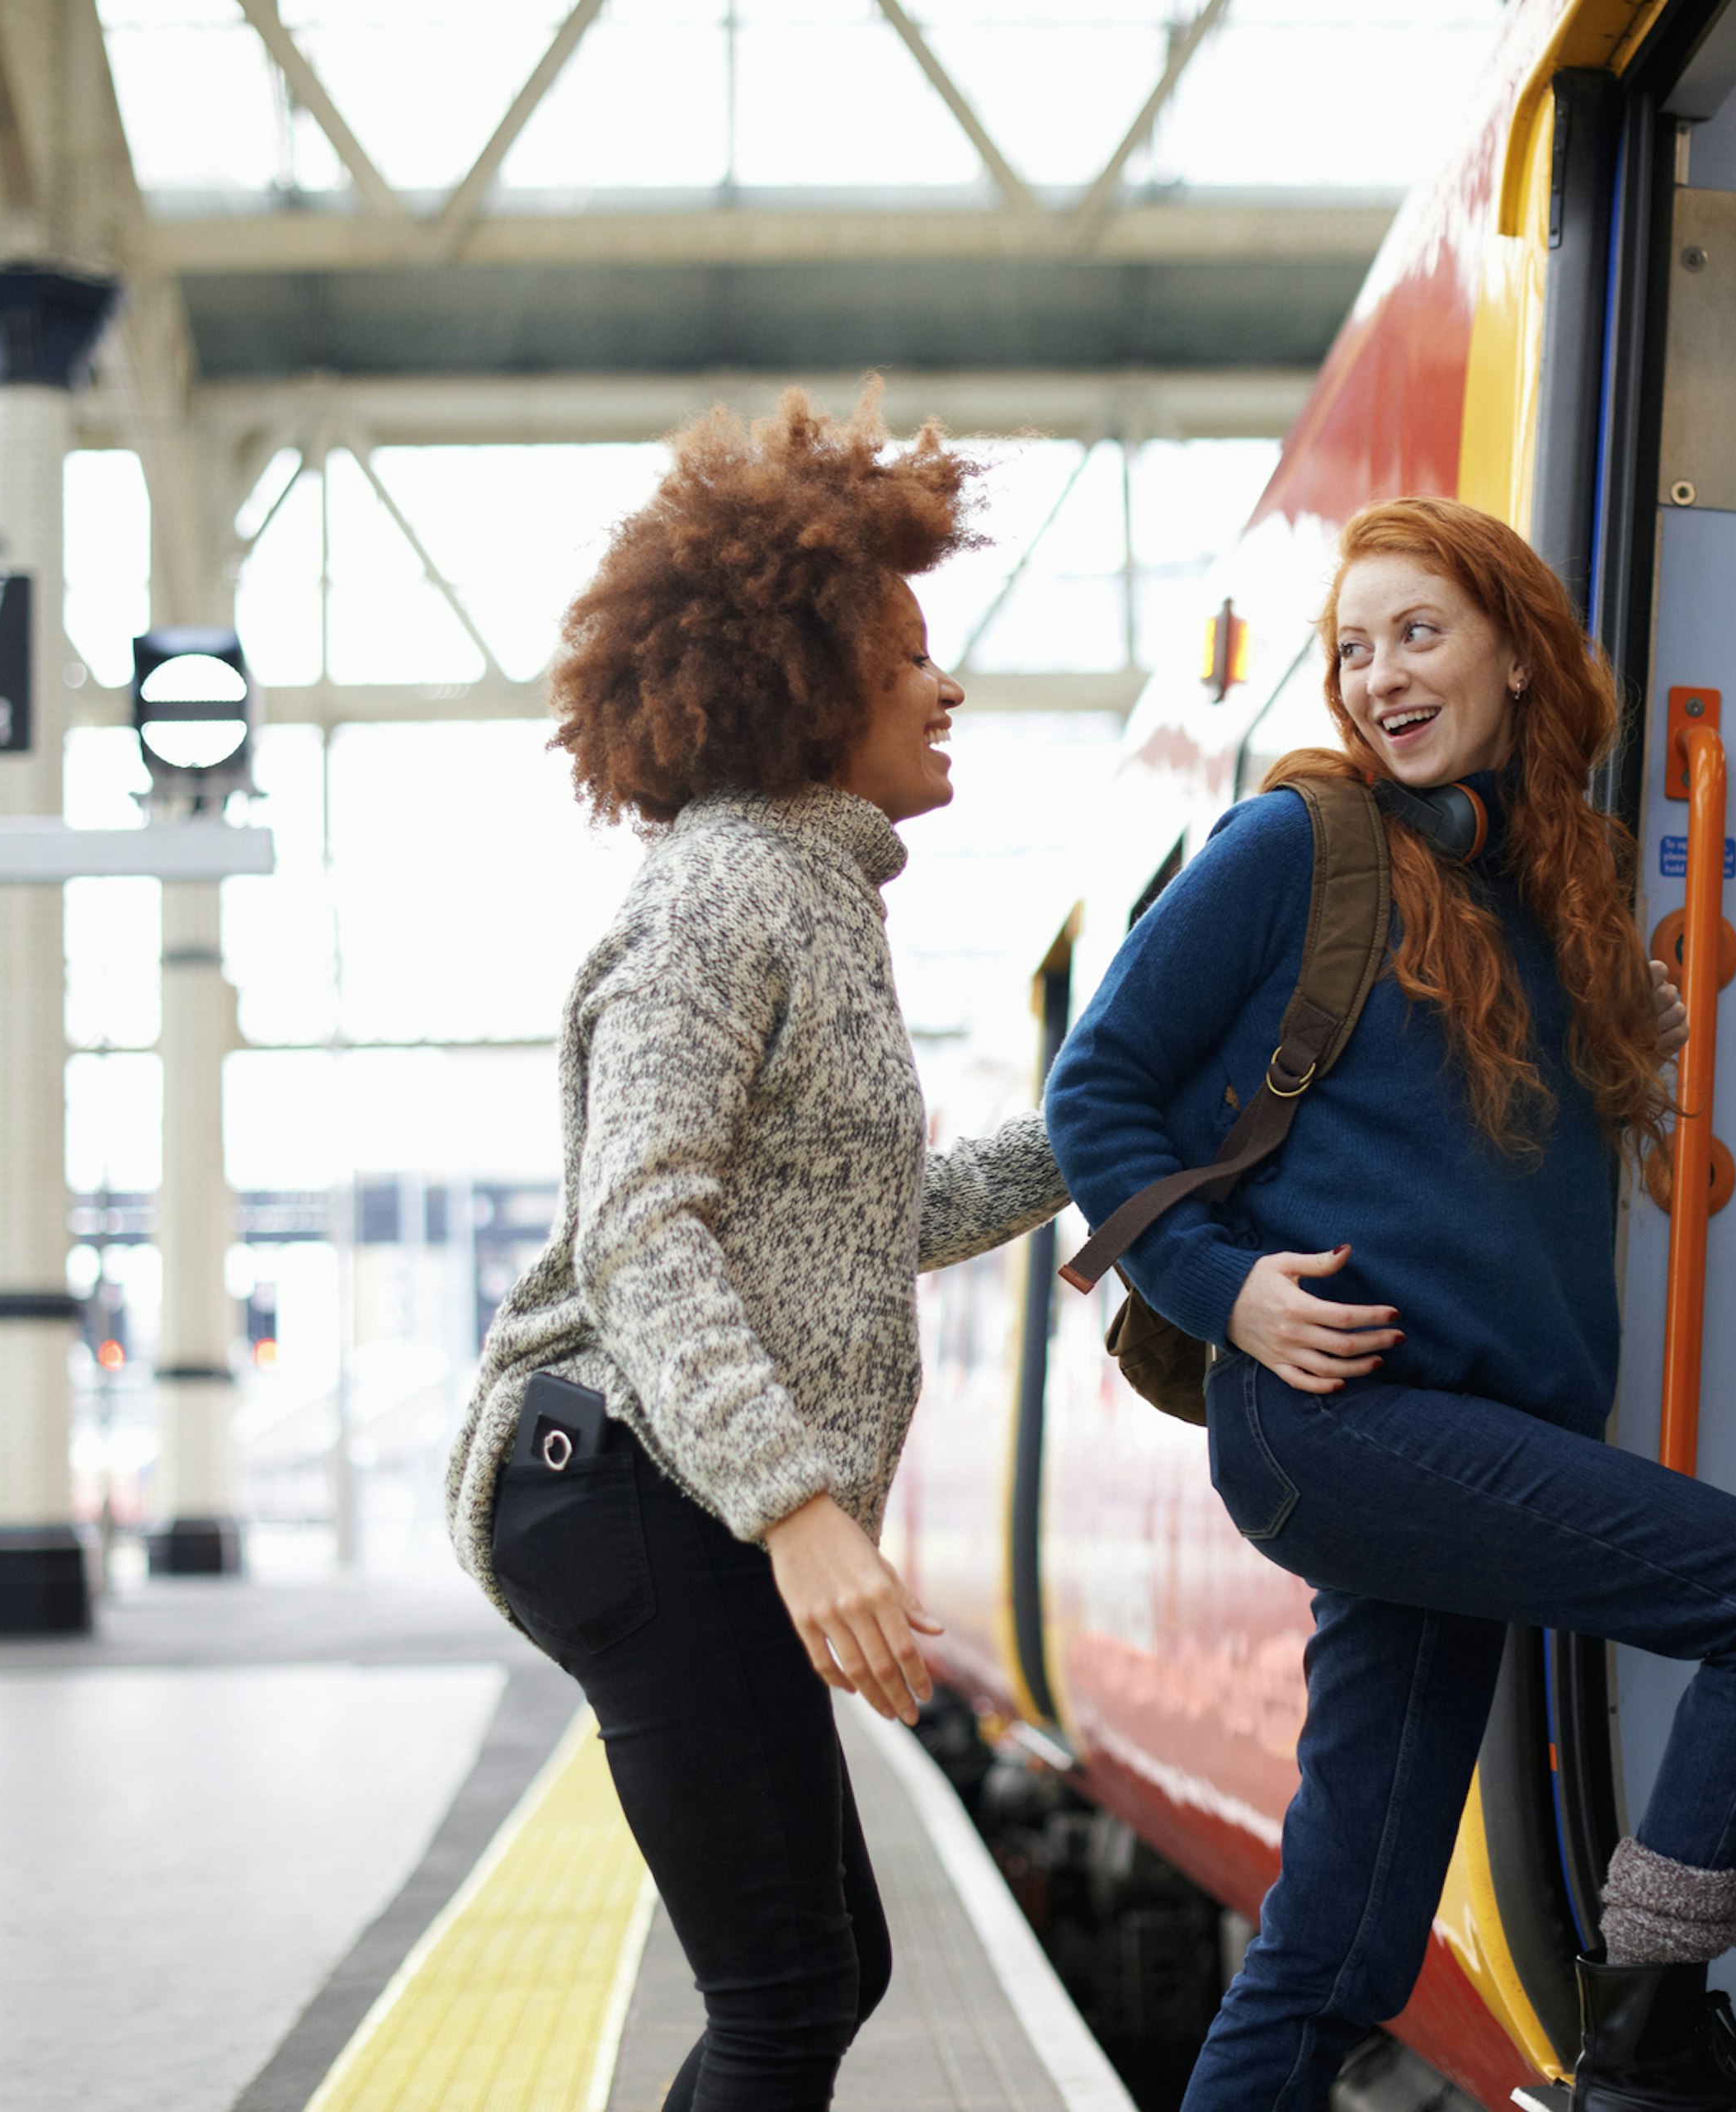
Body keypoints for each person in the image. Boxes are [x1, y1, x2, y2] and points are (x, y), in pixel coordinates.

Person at [1044, 497, 1736, 2112]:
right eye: (1350, 651)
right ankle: (1650, 2027)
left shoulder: (1556, 871)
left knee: (1341, 1941)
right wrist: (1228, 1294)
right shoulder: (1294, 842)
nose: (1376, 677)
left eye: (1415, 634)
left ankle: (1630, 2033)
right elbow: (1100, 1085)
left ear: (1515, 649)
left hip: (1452, 1441)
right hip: (1341, 1417)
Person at [446, 389, 1065, 2111]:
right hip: (629, 1473)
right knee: (790, 1990)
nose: (947, 689)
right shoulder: (727, 892)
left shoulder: (815, 895)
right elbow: (639, 1221)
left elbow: (866, 1220)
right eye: (908, 656)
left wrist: (1110, 1132)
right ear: (804, 680)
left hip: (676, 1475)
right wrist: (800, 1510)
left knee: (829, 1972)